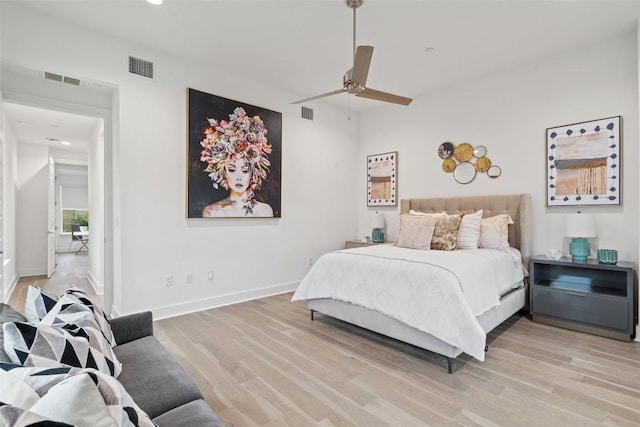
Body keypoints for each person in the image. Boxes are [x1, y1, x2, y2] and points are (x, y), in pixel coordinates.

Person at [199, 107, 274, 217]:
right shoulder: (212, 212)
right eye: (232, 169)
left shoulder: (264, 211)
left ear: (253, 173)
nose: (238, 177)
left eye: (244, 170)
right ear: (223, 171)